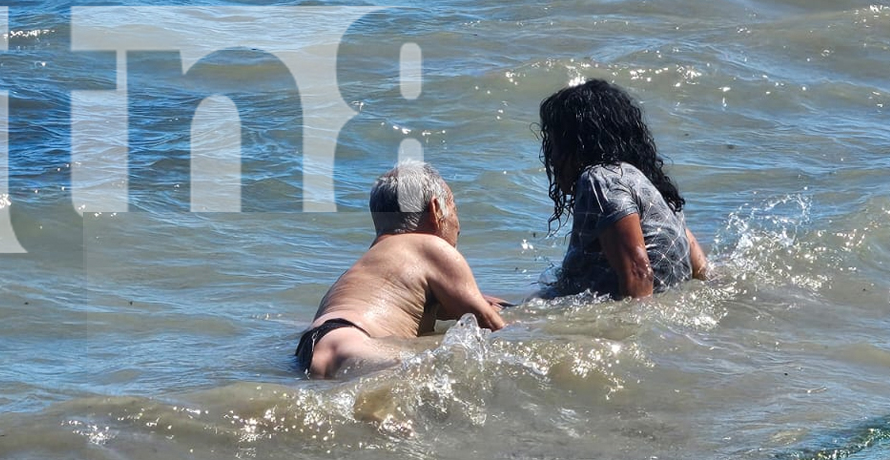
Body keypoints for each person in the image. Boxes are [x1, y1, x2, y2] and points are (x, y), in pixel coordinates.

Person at [295, 162, 508, 378]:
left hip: (311, 347)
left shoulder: (368, 265)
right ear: (436, 210)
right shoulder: (431, 247)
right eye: (454, 209)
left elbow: (444, 307)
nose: (458, 225)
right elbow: (491, 325)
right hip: (356, 344)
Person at [536, 79, 710, 299]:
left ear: (578, 144)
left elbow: (639, 273)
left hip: (608, 322)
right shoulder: (657, 194)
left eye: (554, 144)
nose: (551, 158)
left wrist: (633, 333)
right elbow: (702, 272)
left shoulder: (600, 180)